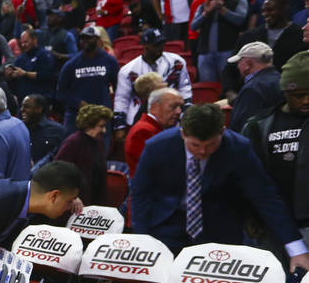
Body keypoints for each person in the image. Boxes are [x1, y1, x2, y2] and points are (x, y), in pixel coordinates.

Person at [130, 103, 309, 271]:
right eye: (195, 145)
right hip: (168, 223)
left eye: (210, 145)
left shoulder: (239, 147)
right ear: (183, 134)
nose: (202, 151)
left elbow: (265, 196)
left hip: (218, 226)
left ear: (222, 132)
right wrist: (142, 239)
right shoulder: (157, 147)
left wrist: (295, 247)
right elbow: (140, 194)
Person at [243, 51, 309, 252]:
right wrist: (250, 213)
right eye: (298, 95)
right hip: (276, 226)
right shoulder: (259, 126)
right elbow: (248, 176)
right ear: (285, 92)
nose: (306, 100)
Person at [114, 28, 192, 128]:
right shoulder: (128, 70)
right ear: (145, 46)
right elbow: (122, 98)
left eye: (162, 43)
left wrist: (184, 115)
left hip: (172, 116)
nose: (160, 48)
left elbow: (185, 89)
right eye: (156, 45)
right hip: (140, 116)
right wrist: (119, 126)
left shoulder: (177, 62)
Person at [56, 25, 120, 133]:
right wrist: (78, 103)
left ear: (98, 40)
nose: (84, 41)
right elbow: (60, 93)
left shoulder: (110, 61)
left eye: (89, 38)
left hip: (102, 116)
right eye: (82, 38)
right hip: (77, 117)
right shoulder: (71, 64)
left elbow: (118, 88)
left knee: (101, 149)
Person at [190, 0, 248, 83]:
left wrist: (222, 10)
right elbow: (193, 26)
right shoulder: (204, 4)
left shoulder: (239, 0)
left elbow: (240, 20)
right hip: (205, 52)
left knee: (228, 84)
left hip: (228, 51)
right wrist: (206, 13)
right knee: (207, 88)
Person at [54, 104, 112, 205]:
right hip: (73, 206)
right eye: (101, 126)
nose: (104, 130)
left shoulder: (99, 142)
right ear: (89, 125)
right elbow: (58, 172)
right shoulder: (73, 143)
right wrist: (72, 197)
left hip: (94, 204)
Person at [125, 87, 185, 177]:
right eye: (173, 106)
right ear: (154, 107)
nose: (179, 111)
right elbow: (161, 169)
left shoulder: (154, 128)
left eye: (181, 107)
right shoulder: (143, 131)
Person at [227, 42, 283, 132]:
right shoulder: (281, 79)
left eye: (239, 62)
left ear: (248, 63)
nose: (238, 66)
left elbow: (244, 125)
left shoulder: (253, 88)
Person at [6, 27, 56, 102]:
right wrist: (10, 76)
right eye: (21, 42)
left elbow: (47, 75)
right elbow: (14, 83)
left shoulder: (44, 55)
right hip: (22, 100)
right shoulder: (20, 58)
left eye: (26, 42)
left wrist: (25, 74)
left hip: (40, 100)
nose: (23, 45)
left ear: (34, 40)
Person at [22, 94, 66, 165]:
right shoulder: (19, 129)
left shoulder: (57, 131)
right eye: (22, 106)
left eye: (26, 107)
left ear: (39, 109)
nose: (22, 109)